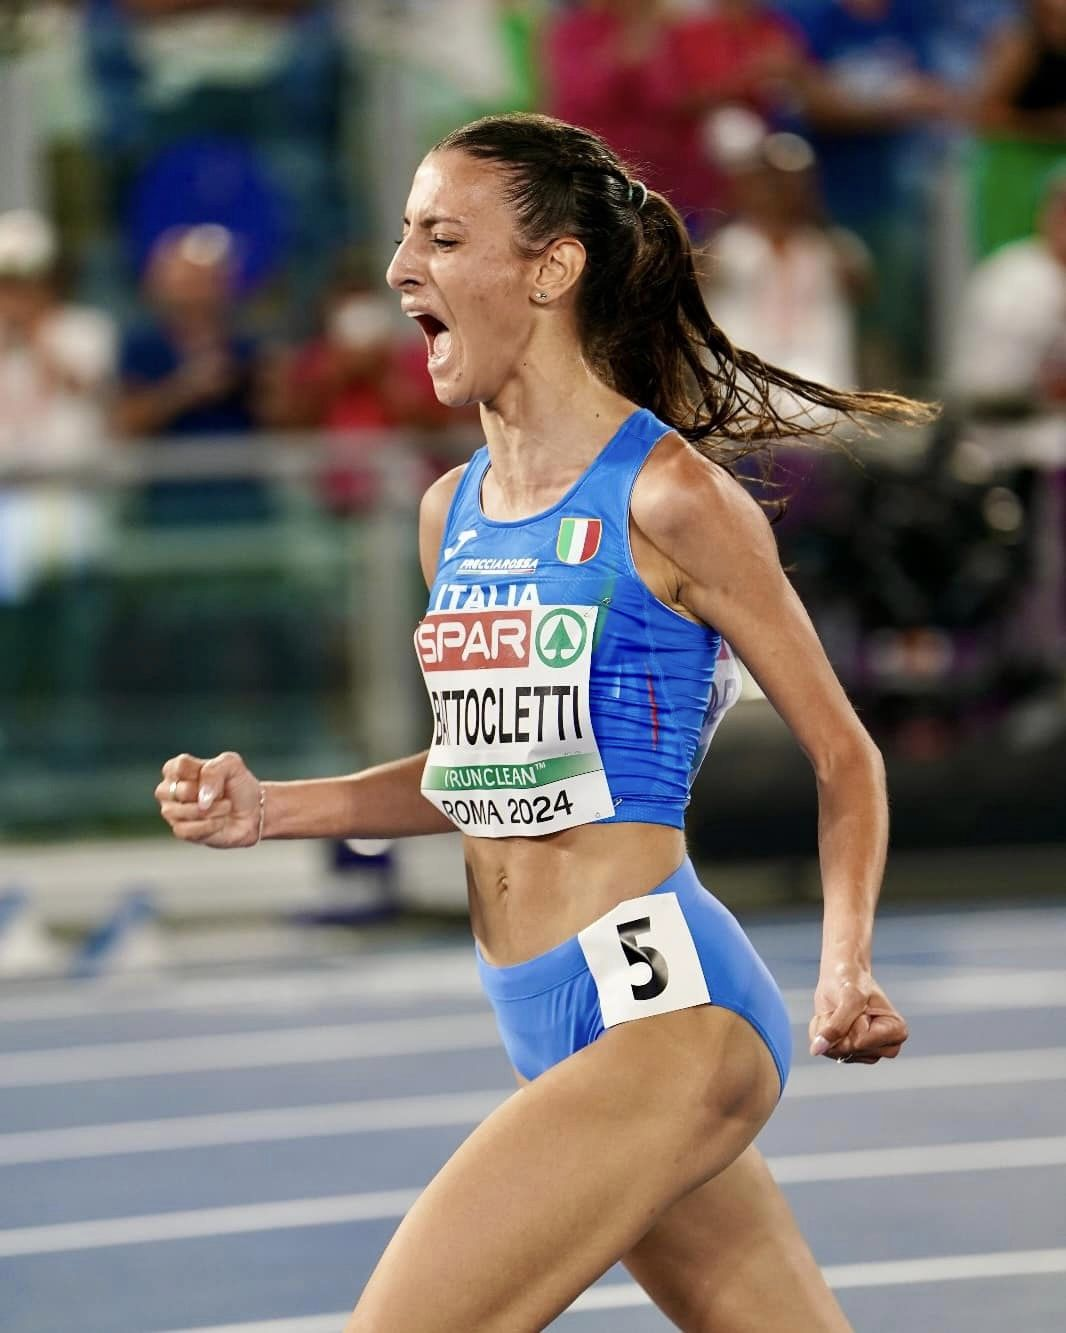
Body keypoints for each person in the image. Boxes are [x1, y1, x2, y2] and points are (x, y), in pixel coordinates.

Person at [156, 112, 925, 1331]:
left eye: (442, 237)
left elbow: (845, 755)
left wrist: (844, 969)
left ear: (551, 269)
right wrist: (273, 810)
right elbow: (482, 770)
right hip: (541, 1011)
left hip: (669, 1013)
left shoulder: (670, 497)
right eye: (404, 234)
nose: (400, 268)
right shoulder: (449, 512)